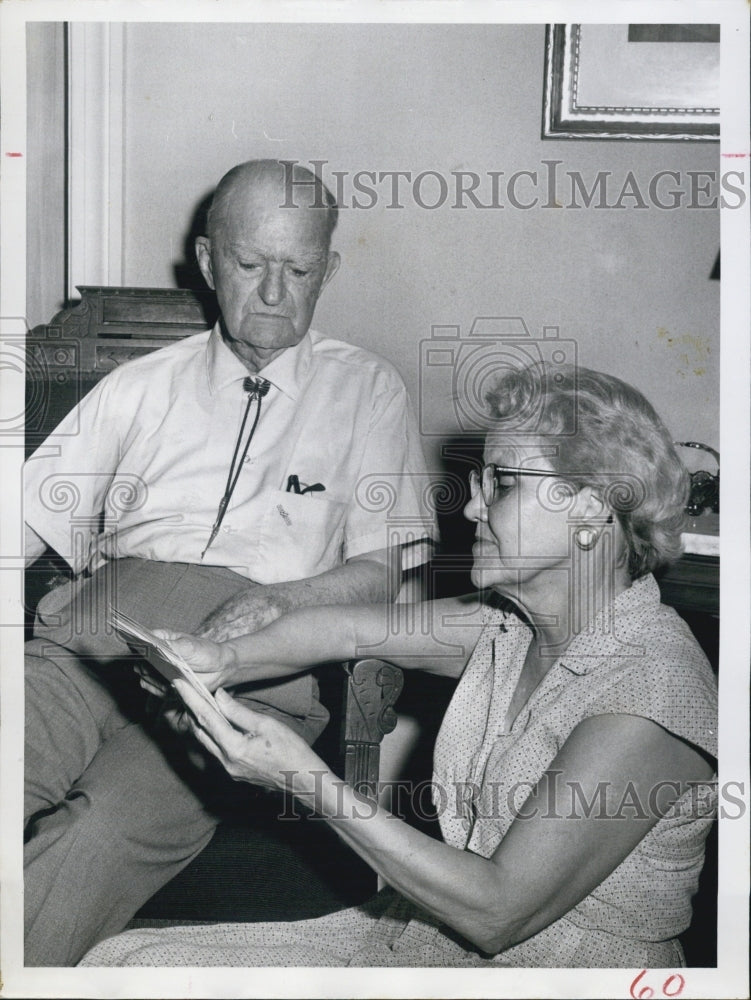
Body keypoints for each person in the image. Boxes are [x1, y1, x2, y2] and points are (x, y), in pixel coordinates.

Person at [80, 364, 717, 969]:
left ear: (591, 509)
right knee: (120, 961)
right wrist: (223, 658)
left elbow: (499, 911)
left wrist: (304, 779)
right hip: (429, 938)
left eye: (502, 482)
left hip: (562, 973)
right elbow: (351, 628)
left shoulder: (652, 685)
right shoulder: (509, 627)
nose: (471, 508)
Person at [23, 159, 434, 966]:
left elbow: (380, 573)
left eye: (299, 268)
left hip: (245, 679)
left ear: (329, 270)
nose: (275, 294)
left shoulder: (366, 392)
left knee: (98, 836)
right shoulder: (140, 386)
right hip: (86, 648)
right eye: (251, 265)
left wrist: (274, 604)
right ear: (210, 262)